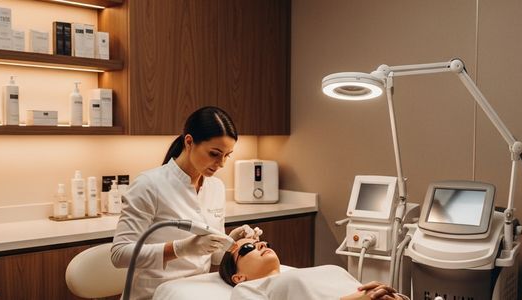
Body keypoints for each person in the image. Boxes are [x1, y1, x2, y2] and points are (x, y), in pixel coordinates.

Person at [110, 106, 260, 300]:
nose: (221, 163)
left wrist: (230, 241)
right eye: (214, 154)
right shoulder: (149, 185)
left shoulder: (216, 187)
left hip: (195, 293)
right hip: (154, 295)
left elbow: (213, 258)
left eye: (227, 155)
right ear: (189, 142)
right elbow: (119, 254)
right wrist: (181, 248)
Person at [219, 238, 408, 300]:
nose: (260, 244)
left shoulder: (317, 271)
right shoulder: (245, 290)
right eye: (248, 248)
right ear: (238, 277)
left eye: (262, 241)